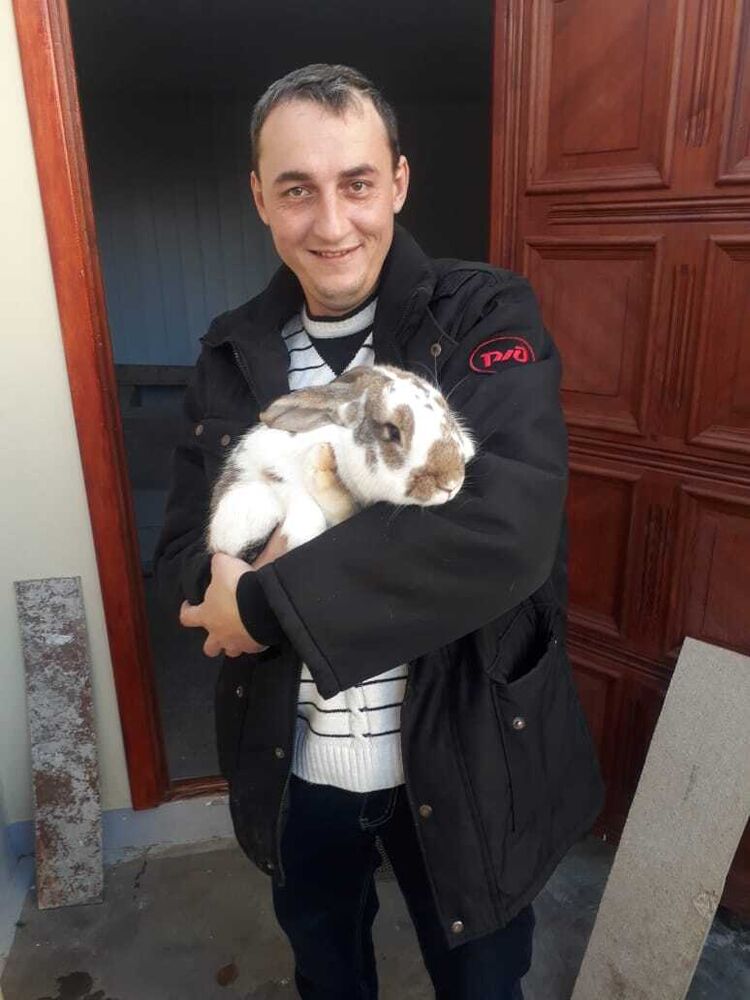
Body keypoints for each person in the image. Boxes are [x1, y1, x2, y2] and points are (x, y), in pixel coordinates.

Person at [153, 63, 605, 999]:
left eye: (356, 183)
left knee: (482, 981)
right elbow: (183, 556)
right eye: (296, 191)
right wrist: (214, 587)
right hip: (297, 759)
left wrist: (262, 603)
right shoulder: (231, 352)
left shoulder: (483, 315)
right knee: (327, 969)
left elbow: (504, 526)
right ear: (259, 199)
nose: (331, 224)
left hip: (465, 749)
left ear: (398, 181)